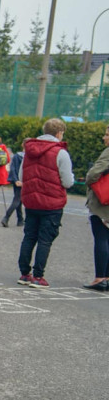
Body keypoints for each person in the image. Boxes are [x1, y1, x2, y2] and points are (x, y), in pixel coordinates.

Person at [17, 118, 74, 289]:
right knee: (45, 240)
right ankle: (38, 275)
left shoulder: (29, 150)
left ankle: (24, 273)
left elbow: (21, 176)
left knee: (29, 236)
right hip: (52, 202)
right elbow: (67, 181)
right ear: (59, 133)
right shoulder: (60, 152)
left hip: (31, 200)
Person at [83, 124, 109, 291]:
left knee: (101, 238)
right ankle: (107, 277)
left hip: (103, 203)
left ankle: (100, 278)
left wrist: (89, 180)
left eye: (107, 134)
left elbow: (93, 174)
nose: (104, 137)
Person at [0, 150, 25, 227]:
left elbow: (12, 168)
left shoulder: (16, 156)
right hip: (24, 181)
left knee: (18, 199)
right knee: (17, 200)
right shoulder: (29, 157)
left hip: (16, 180)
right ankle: (6, 217)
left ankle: (20, 219)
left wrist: (15, 180)